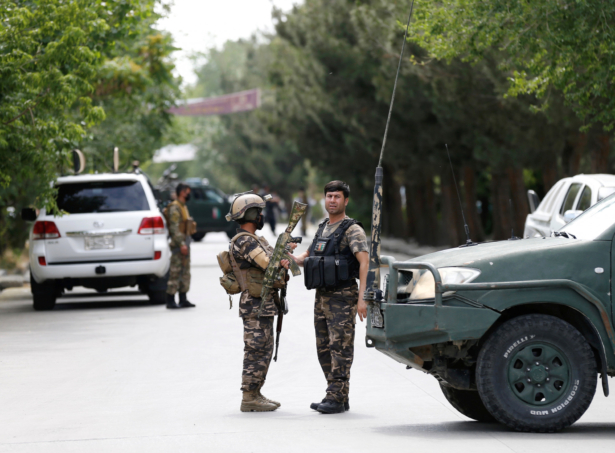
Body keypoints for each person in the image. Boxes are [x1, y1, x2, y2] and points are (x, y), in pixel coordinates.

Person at [291, 181, 369, 414]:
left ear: (345, 201)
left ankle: (335, 396)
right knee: (323, 348)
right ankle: (337, 395)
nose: (332, 200)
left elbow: (365, 262)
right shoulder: (323, 227)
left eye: (337, 197)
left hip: (343, 296)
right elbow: (308, 255)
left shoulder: (352, 229)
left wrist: (362, 298)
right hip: (322, 297)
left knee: (340, 348)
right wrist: (291, 258)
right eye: (329, 196)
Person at [226, 192, 296, 412]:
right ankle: (249, 397)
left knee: (264, 349)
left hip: (263, 303)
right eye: (260, 212)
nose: (262, 216)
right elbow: (267, 264)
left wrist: (285, 252)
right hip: (254, 305)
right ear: (252, 214)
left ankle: (256, 392)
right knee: (255, 350)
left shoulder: (255, 240)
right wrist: (281, 254)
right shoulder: (245, 241)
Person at [166, 183, 196, 309]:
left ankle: (183, 298)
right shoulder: (175, 207)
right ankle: (170, 300)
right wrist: (181, 244)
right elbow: (174, 227)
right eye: (187, 192)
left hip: (185, 242)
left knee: (185, 272)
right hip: (179, 244)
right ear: (182, 192)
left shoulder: (183, 206)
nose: (188, 194)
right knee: (175, 272)